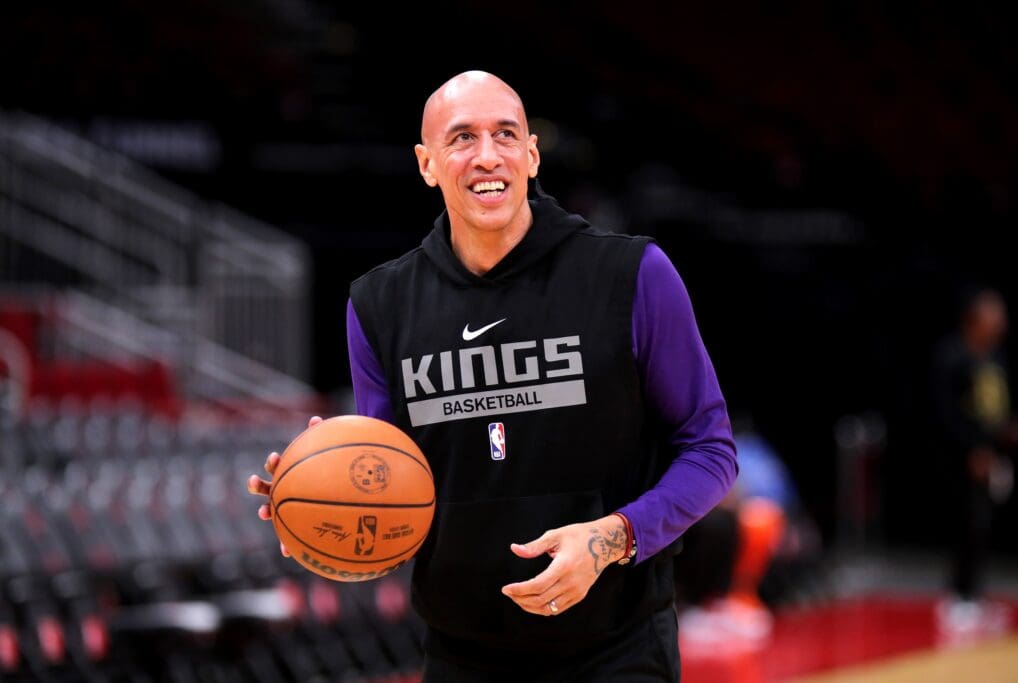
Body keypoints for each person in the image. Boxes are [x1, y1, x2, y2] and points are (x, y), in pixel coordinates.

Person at [248, 70, 737, 681]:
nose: (487, 156)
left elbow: (710, 450)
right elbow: (393, 488)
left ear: (531, 155)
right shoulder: (379, 305)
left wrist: (614, 538)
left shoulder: (633, 274)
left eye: (505, 135)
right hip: (460, 654)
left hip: (617, 649)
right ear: (427, 164)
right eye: (462, 138)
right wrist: (326, 508)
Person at [929, 286, 1018, 636]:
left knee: (983, 524)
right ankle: (957, 597)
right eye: (993, 314)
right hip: (959, 457)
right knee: (966, 523)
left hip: (991, 454)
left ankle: (974, 594)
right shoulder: (952, 356)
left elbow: (994, 407)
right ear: (974, 318)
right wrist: (971, 449)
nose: (1001, 321)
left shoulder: (995, 357)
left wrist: (1005, 433)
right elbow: (945, 412)